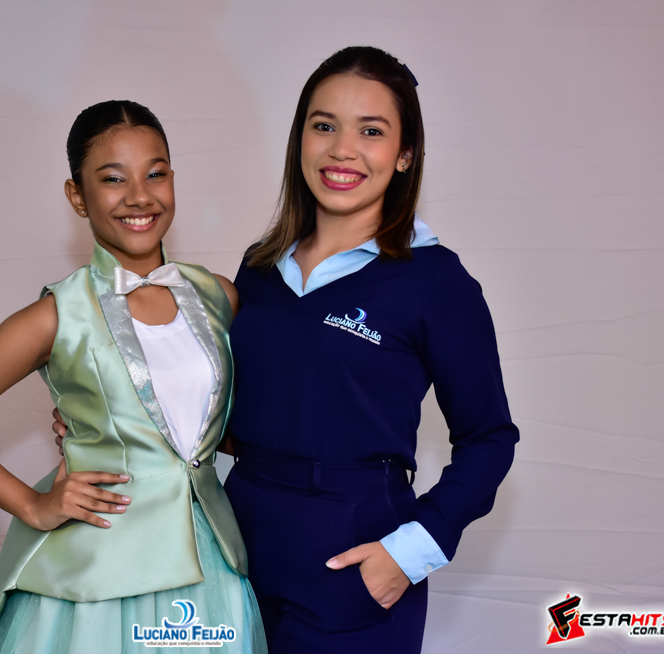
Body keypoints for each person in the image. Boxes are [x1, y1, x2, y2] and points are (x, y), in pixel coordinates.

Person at [49, 46, 519, 653]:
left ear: (405, 154)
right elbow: (239, 414)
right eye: (324, 126)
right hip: (234, 545)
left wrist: (409, 553)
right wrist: (113, 418)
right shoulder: (261, 268)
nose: (342, 149)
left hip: (354, 558)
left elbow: (489, 439)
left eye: (371, 131)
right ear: (301, 139)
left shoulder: (435, 282)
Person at [0, 100, 267, 654]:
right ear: (77, 196)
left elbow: (220, 426)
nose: (139, 196)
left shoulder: (218, 295)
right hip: (98, 571)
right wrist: (32, 505)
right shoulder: (57, 314)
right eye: (113, 179)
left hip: (210, 562)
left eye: (155, 174)